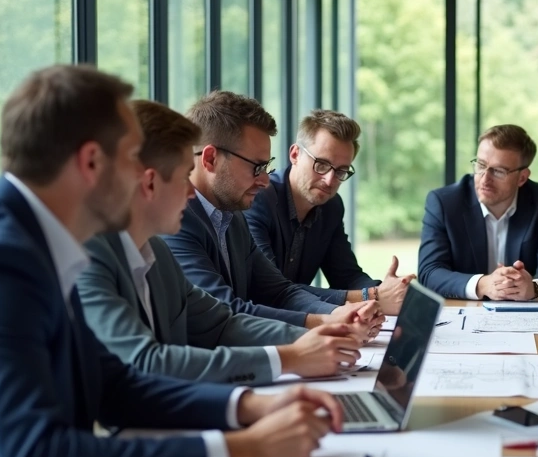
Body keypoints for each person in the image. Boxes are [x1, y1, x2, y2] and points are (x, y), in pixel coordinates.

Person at [0, 65, 347, 457]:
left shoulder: (37, 238)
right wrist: (246, 453)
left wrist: (247, 406)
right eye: (132, 157)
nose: (151, 173)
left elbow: (114, 382)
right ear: (91, 163)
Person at [78, 100, 365, 385]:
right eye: (182, 177)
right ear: (150, 183)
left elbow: (222, 323)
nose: (190, 191)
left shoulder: (158, 252)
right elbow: (146, 363)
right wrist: (289, 358)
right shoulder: (90, 257)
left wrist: (320, 337)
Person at [162, 90, 382, 333]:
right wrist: (323, 323)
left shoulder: (231, 216)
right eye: (257, 167)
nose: (265, 180)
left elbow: (279, 291)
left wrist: (337, 313)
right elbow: (223, 311)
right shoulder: (172, 220)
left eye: (266, 167)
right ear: (211, 158)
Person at [248, 109, 415, 315]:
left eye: (341, 171)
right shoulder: (258, 199)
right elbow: (271, 290)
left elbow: (346, 275)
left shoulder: (331, 206)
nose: (329, 180)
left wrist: (390, 289)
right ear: (295, 155)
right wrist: (373, 295)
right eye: (321, 164)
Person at [418, 124, 538, 301]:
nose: (485, 179)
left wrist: (533, 288)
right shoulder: (444, 202)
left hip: (523, 320)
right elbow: (429, 272)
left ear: (522, 177)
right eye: (481, 165)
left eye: (498, 171)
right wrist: (484, 284)